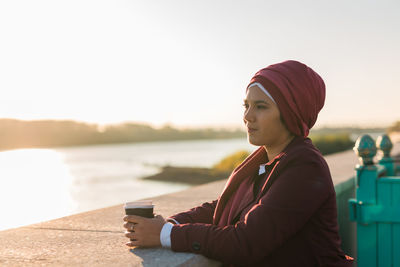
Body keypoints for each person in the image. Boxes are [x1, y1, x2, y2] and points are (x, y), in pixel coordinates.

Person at [123, 60, 353, 266]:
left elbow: (245, 242)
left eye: (261, 106)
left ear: (291, 113)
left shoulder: (305, 167)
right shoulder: (266, 159)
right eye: (246, 105)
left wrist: (165, 234)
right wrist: (169, 223)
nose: (248, 116)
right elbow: (224, 206)